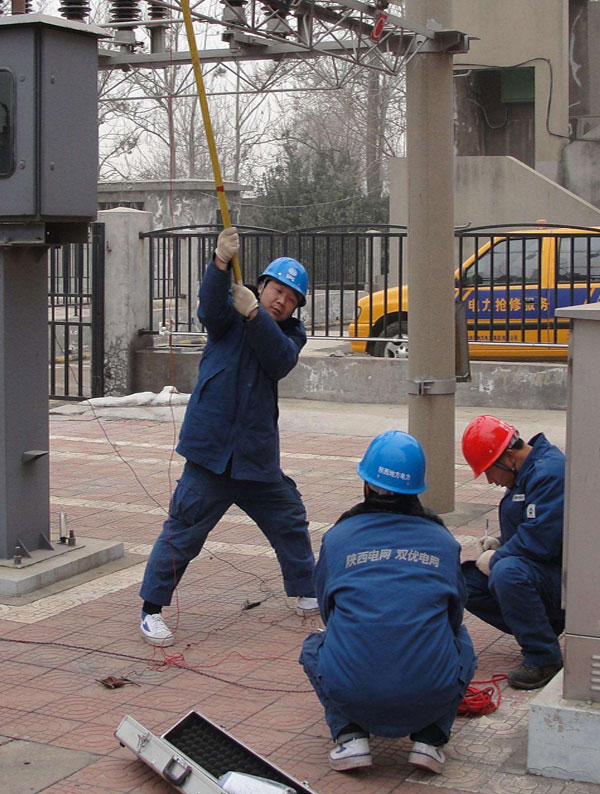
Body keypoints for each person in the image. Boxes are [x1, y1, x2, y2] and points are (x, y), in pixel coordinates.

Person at [139, 227, 318, 646]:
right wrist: (219, 262)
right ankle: (151, 609)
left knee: (289, 519)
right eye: (277, 290)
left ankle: (308, 590)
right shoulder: (227, 320)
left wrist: (256, 315)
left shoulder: (289, 335)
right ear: (261, 285)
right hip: (211, 452)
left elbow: (278, 361)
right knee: (183, 531)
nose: (282, 300)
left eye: (291, 299)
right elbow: (208, 308)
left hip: (256, 458)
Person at [300, 430, 476, 774]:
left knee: (313, 647)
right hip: (431, 690)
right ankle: (430, 739)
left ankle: (350, 737)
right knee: (463, 643)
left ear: (366, 484)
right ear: (417, 489)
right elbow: (454, 617)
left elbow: (328, 609)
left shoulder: (338, 538)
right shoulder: (442, 541)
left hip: (352, 689)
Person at [461, 414, 565, 690]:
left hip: (566, 579)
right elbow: (531, 528)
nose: (490, 480)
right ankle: (542, 627)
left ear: (508, 457)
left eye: (489, 471)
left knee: (506, 573)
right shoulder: (527, 473)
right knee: (464, 581)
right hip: (542, 572)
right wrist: (499, 544)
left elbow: (544, 541)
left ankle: (544, 658)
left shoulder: (551, 473)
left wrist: (499, 557)